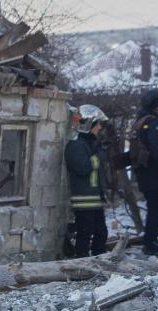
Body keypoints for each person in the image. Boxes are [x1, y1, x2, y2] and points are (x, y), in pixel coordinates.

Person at [131, 89, 158, 256]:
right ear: (156, 106)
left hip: (144, 173)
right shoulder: (154, 124)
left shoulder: (140, 121)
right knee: (155, 208)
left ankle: (150, 240)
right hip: (154, 174)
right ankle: (150, 242)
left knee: (154, 207)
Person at [65, 105, 109, 257]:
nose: (99, 127)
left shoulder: (89, 143)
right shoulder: (75, 145)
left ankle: (99, 261)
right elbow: (83, 168)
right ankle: (82, 263)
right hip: (83, 199)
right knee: (85, 233)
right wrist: (99, 156)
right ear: (88, 125)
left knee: (101, 233)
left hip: (94, 198)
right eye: (97, 124)